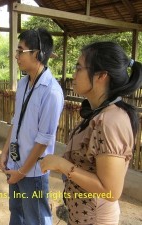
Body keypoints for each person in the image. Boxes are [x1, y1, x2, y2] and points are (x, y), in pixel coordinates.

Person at [40, 41, 142, 225]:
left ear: (101, 75)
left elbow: (110, 191)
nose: (74, 74)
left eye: (79, 68)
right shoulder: (100, 113)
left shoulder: (112, 120)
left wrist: (62, 165)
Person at [0, 28, 64, 225]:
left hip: (33, 172)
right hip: (15, 165)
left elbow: (43, 140)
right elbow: (16, 121)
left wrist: (22, 172)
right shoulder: (23, 83)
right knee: (16, 214)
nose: (16, 56)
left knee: (36, 219)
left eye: (21, 51)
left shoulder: (51, 92)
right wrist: (4, 154)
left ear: (38, 54)